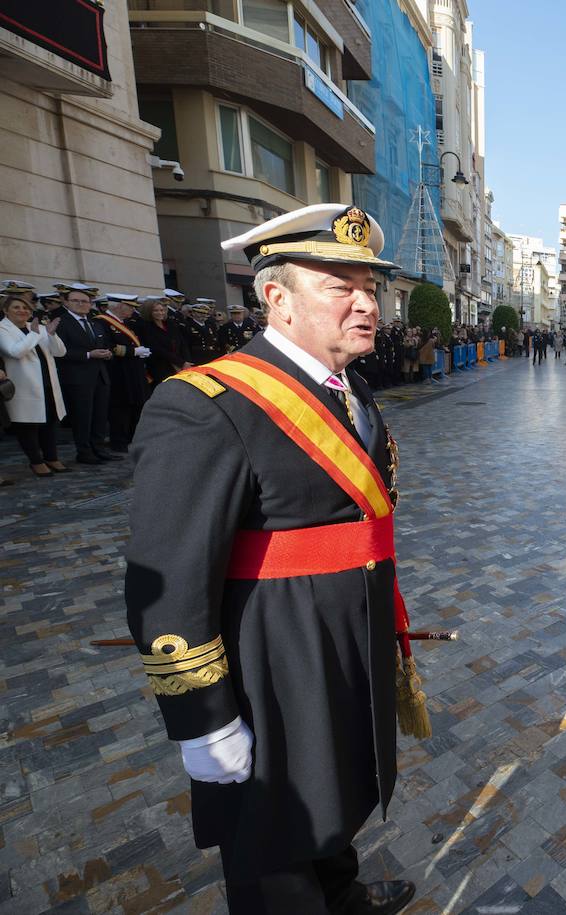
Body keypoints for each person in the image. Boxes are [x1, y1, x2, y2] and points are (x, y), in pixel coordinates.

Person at [124, 204, 416, 914]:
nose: (365, 303)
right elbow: (167, 577)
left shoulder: (351, 389)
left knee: (336, 788)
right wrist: (204, 717)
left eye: (369, 287)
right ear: (275, 297)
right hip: (269, 661)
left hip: (345, 642)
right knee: (272, 839)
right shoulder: (206, 404)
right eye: (339, 285)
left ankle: (341, 893)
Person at [0, 293, 69, 477]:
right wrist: (35, 334)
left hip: (47, 382)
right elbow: (16, 352)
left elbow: (60, 352)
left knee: (49, 421)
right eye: (16, 307)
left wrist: (52, 335)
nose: (22, 311)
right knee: (27, 426)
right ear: (5, 310)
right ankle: (36, 461)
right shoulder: (3, 329)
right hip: (24, 386)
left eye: (25, 308)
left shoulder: (34, 326)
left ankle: (51, 457)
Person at [52, 283, 121, 464]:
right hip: (78, 377)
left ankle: (98, 448)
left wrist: (107, 353)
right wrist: (89, 355)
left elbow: (104, 344)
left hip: (100, 375)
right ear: (66, 302)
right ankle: (84, 451)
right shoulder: (61, 322)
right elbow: (60, 351)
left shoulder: (93, 322)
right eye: (76, 301)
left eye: (85, 301)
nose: (81, 304)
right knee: (83, 417)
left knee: (99, 416)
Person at [97, 294, 152, 453]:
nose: (133, 310)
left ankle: (131, 438)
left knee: (134, 405)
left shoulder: (124, 323)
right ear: (118, 306)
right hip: (118, 372)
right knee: (120, 409)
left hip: (132, 371)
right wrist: (132, 351)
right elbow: (108, 345)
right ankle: (119, 442)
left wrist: (140, 352)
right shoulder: (102, 322)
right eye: (130, 307)